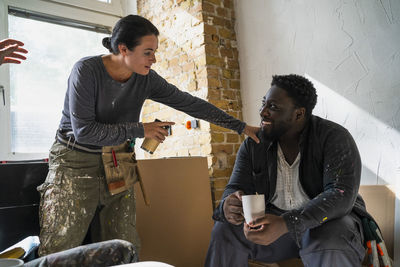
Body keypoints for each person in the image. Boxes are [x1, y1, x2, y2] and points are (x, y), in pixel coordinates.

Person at [37, 14, 260, 256]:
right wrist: (140, 129)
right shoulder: (86, 71)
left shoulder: (146, 79)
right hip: (74, 163)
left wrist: (241, 126)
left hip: (118, 162)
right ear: (123, 49)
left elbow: (191, 103)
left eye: (154, 52)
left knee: (124, 247)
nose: (154, 59)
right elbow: (84, 132)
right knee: (60, 249)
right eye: (148, 52)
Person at [205, 74, 375, 266]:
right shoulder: (253, 145)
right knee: (224, 230)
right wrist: (228, 206)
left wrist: (288, 222)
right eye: (264, 104)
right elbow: (235, 186)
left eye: (273, 107)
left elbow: (340, 195)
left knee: (329, 240)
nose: (263, 112)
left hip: (328, 226)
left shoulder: (333, 137)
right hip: (276, 230)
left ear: (299, 114)